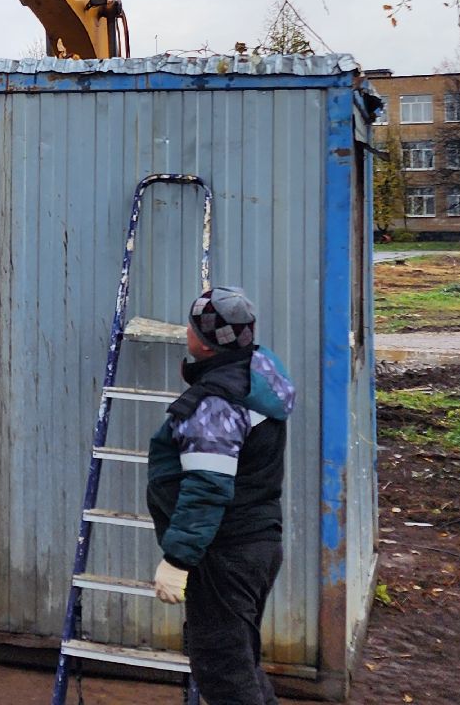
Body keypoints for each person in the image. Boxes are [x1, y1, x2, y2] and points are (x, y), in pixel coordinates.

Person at [146, 286, 296, 705]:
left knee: (224, 676)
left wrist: (178, 560)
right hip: (257, 543)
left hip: (225, 553)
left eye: (193, 325)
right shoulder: (257, 375)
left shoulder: (216, 402)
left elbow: (207, 488)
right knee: (240, 663)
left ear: (204, 340)